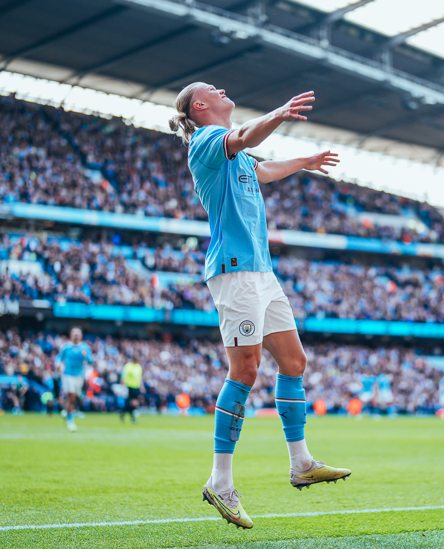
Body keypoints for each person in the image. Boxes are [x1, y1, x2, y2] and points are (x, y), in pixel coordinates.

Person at [169, 82, 348, 529]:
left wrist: (305, 162)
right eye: (214, 89)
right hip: (234, 272)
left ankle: (301, 462)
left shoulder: (238, 157)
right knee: (245, 370)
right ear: (200, 105)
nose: (223, 89)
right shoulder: (208, 142)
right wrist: (280, 113)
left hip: (261, 272)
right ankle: (220, 483)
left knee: (293, 361)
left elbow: (263, 169)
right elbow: (246, 136)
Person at [55, 327, 94, 432]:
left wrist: (86, 357)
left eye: (78, 333)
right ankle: (70, 420)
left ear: (81, 336)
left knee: (73, 397)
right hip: (68, 375)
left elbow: (91, 361)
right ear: (71, 335)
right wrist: (58, 364)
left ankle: (66, 411)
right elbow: (59, 358)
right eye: (74, 333)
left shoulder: (85, 347)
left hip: (79, 376)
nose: (76, 335)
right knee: (71, 396)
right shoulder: (66, 347)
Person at [120, 355, 143, 424]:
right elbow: (124, 376)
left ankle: (123, 412)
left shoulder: (139, 367)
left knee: (131, 403)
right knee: (133, 402)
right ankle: (132, 416)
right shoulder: (128, 366)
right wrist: (123, 386)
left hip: (136, 386)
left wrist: (141, 386)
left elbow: (140, 378)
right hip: (130, 386)